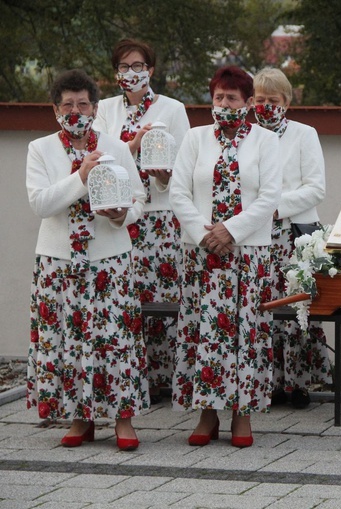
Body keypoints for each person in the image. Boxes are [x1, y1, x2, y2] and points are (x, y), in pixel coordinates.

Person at [26, 69, 148, 450]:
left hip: (108, 260)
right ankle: (81, 418)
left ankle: (123, 419)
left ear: (95, 108)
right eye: (67, 104)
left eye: (82, 104)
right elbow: (41, 203)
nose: (75, 110)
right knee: (70, 339)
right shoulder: (40, 149)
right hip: (59, 262)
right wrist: (80, 176)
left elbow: (140, 200)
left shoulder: (114, 145)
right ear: (55, 109)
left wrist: (121, 216)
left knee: (115, 339)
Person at [169, 66, 281, 448]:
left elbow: (269, 196)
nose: (224, 104)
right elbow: (179, 192)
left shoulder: (266, 141)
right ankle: (207, 413)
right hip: (202, 253)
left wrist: (231, 230)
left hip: (248, 254)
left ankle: (242, 414)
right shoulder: (195, 138)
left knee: (244, 333)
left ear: (248, 103)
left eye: (232, 98)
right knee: (204, 333)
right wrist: (206, 233)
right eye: (219, 97)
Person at [94, 38, 190, 405]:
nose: (130, 73)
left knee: (163, 295)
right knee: (126, 294)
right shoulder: (103, 109)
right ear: (115, 72)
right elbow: (99, 156)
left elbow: (183, 169)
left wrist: (162, 172)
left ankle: (165, 377)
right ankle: (132, 375)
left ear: (151, 70)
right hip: (119, 214)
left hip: (161, 216)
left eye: (138, 66)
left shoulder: (173, 108)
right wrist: (133, 146)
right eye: (123, 67)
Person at [251, 67, 330, 409]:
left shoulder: (303, 134)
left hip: (294, 233)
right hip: (254, 233)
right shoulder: (246, 135)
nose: (266, 106)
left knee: (295, 306)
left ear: (286, 102)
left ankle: (297, 383)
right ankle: (265, 382)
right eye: (260, 99)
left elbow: (316, 188)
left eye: (273, 100)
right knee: (261, 306)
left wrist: (275, 208)